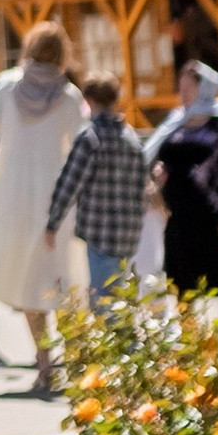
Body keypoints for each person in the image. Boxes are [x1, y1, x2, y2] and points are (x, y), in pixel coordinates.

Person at [0, 22, 88, 395]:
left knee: (28, 280)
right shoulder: (68, 96)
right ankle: (76, 361)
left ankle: (44, 363)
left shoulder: (5, 87)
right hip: (56, 197)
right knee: (61, 278)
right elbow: (81, 144)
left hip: (14, 197)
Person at [147, 63, 218, 304]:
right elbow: (159, 157)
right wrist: (159, 173)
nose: (183, 94)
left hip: (212, 215)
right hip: (179, 216)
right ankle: (191, 337)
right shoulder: (175, 123)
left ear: (204, 89)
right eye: (180, 88)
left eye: (189, 88)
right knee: (181, 281)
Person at [42, 75, 150, 302]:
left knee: (103, 304)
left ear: (88, 101)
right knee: (123, 301)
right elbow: (144, 187)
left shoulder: (90, 138)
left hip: (99, 233)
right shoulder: (132, 139)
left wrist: (52, 223)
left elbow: (70, 183)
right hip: (129, 235)